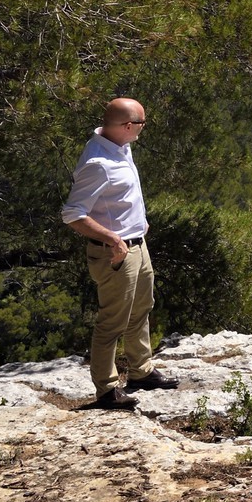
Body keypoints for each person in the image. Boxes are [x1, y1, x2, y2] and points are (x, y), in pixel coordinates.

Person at [61, 97, 179, 409]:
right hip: (116, 252)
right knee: (112, 321)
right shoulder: (98, 163)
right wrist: (112, 238)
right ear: (128, 126)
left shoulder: (120, 147)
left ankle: (141, 371)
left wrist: (138, 221)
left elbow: (120, 197)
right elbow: (72, 213)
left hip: (137, 244)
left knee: (141, 309)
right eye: (141, 124)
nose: (143, 130)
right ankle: (107, 390)